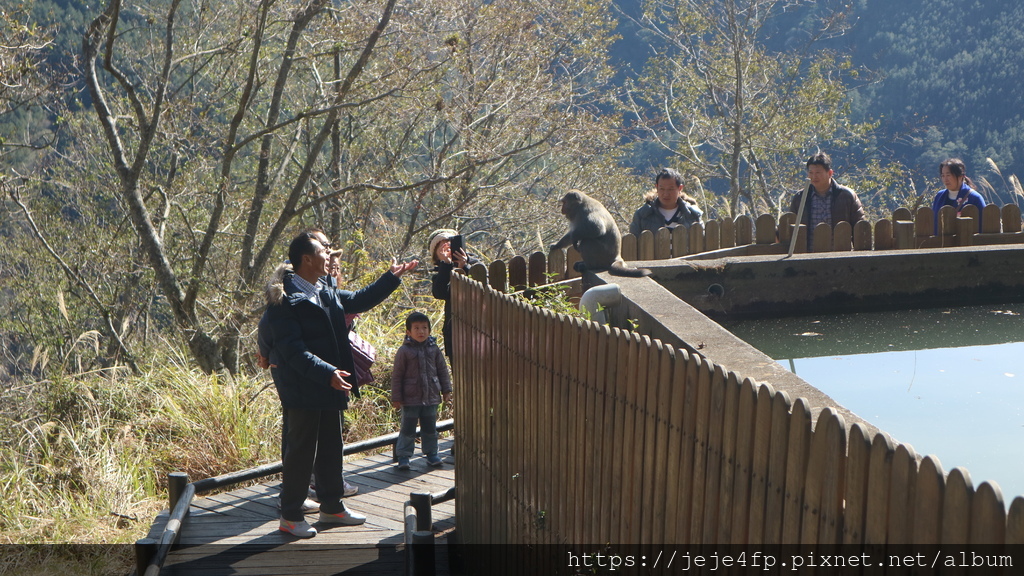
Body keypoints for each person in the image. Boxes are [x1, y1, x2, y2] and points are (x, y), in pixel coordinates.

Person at [265, 231, 417, 538]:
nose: (329, 255)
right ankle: (291, 515)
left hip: (329, 384)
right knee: (301, 452)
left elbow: (359, 300)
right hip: (304, 386)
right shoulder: (285, 301)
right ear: (307, 259)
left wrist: (391, 277)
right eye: (324, 251)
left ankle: (332, 506)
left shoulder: (323, 288)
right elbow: (293, 351)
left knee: (331, 447)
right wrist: (327, 373)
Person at [390, 311, 452, 470]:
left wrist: (446, 390)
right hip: (410, 398)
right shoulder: (404, 351)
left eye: (424, 328)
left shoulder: (434, 349)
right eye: (416, 328)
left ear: (429, 331)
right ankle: (403, 456)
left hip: (431, 396)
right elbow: (397, 375)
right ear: (408, 332)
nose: (421, 331)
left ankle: (432, 454)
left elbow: (442, 371)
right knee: (408, 429)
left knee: (430, 428)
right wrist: (396, 397)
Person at [789, 152, 865, 249]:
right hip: (807, 256)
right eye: (811, 173)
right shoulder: (800, 198)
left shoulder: (847, 196)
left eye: (818, 173)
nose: (814, 176)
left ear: (830, 173)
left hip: (840, 255)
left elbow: (859, 227)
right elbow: (790, 226)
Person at [429, 229, 480, 361]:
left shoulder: (475, 264)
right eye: (442, 247)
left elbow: (483, 285)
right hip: (455, 333)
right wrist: (446, 265)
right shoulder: (440, 273)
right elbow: (440, 293)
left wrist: (465, 266)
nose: (448, 249)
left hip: (480, 330)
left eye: (450, 243)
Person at [629, 168, 703, 236]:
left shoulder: (693, 215)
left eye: (670, 189)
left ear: (680, 188)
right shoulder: (643, 215)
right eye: (662, 189)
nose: (666, 194)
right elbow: (632, 244)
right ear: (657, 187)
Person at [931, 158, 986, 234]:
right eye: (943, 176)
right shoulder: (939, 196)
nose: (945, 179)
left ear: (960, 176)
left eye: (948, 175)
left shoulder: (975, 198)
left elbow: (983, 227)